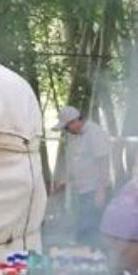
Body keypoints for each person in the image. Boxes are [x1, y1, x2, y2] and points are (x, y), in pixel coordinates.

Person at [54, 105, 112, 245]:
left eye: (67, 127)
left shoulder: (94, 132)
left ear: (75, 121)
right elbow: (75, 162)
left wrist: (100, 191)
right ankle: (86, 256)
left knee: (91, 230)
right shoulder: (73, 136)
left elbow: (103, 163)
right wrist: (64, 182)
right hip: (83, 191)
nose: (66, 130)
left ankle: (98, 260)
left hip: (96, 190)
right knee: (84, 228)